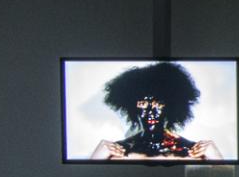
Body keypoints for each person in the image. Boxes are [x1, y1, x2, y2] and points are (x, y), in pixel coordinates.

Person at [88, 61, 222, 160]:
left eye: (158, 103)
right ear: (132, 107)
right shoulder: (117, 152)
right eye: (143, 104)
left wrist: (217, 158)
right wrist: (96, 159)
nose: (151, 111)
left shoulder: (193, 152)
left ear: (171, 106)